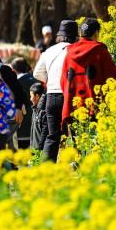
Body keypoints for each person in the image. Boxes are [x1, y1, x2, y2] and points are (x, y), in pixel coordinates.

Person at [61, 18, 116, 126]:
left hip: (74, 106)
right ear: (97, 33)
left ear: (80, 33)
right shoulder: (100, 51)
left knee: (79, 140)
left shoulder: (69, 53)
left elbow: (63, 81)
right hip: (96, 107)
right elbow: (112, 79)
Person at [33, 20, 78, 162]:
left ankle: (47, 169)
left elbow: (37, 73)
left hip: (52, 96)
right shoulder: (76, 50)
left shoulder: (49, 51)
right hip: (70, 96)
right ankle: (82, 166)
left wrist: (51, 80)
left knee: (52, 135)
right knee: (77, 134)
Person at [11, 57, 39, 149]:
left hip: (21, 125)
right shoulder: (36, 81)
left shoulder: (16, 83)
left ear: (13, 69)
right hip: (36, 124)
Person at [28, 82, 48, 152]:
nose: (30, 99)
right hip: (35, 149)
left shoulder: (43, 111)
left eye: (31, 96)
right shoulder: (35, 109)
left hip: (40, 150)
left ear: (37, 96)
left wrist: (39, 147)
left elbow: (44, 132)